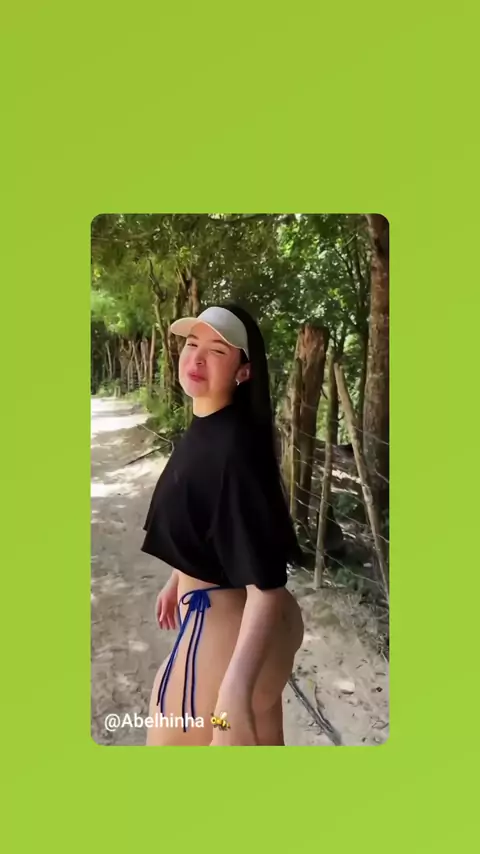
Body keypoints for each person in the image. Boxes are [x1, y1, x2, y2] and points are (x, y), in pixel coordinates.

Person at [141, 303, 305, 746]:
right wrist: (180, 574)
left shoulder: (232, 449)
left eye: (217, 351)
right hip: (239, 624)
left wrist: (234, 694)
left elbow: (267, 586)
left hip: (227, 631)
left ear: (243, 372)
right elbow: (213, 518)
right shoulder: (215, 426)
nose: (197, 358)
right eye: (192, 344)